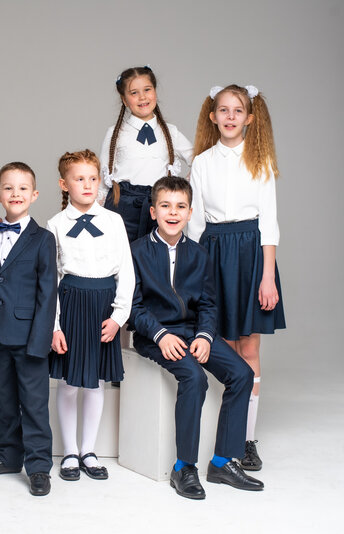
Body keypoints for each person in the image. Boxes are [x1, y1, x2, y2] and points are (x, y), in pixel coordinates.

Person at [130, 176, 264, 500]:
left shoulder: (199, 254)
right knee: (194, 377)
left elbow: (207, 303)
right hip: (156, 334)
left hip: (193, 331)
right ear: (153, 212)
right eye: (165, 206)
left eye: (180, 207)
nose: (173, 213)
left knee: (242, 374)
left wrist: (204, 336)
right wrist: (160, 335)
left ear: (190, 213)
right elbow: (132, 308)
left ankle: (222, 462)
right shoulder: (136, 252)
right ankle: (184, 467)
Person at [187, 84, 286, 470]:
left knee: (249, 349)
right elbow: (195, 224)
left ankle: (246, 439)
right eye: (224, 110)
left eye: (238, 110)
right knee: (222, 347)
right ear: (213, 117)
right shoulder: (201, 162)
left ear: (249, 117)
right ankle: (221, 435)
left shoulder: (261, 160)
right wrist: (191, 276)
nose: (230, 117)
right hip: (213, 253)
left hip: (251, 256)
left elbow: (269, 223)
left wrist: (268, 277)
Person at [0, 162, 57, 496]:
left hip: (30, 337)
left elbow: (48, 295)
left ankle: (39, 466)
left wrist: (40, 341)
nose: (15, 193)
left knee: (33, 404)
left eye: (22, 188)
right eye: (8, 188)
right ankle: (8, 456)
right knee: (5, 399)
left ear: (34, 195)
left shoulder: (43, 239)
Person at [47, 150, 134, 481]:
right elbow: (52, 279)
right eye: (79, 178)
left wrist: (119, 316)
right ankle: (69, 451)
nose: (87, 185)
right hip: (71, 304)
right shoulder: (55, 224)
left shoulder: (113, 221)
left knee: (96, 381)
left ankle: (89, 450)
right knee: (69, 383)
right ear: (64, 184)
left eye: (93, 178)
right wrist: (55, 325)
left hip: (103, 308)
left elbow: (126, 270)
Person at [99, 65, 194, 242]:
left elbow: (199, 160)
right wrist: (95, 216)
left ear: (155, 92)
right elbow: (101, 182)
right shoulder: (115, 133)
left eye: (147, 90)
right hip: (122, 209)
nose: (142, 97)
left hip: (158, 209)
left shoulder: (171, 132)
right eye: (134, 93)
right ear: (124, 100)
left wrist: (180, 188)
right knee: (122, 256)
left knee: (156, 255)